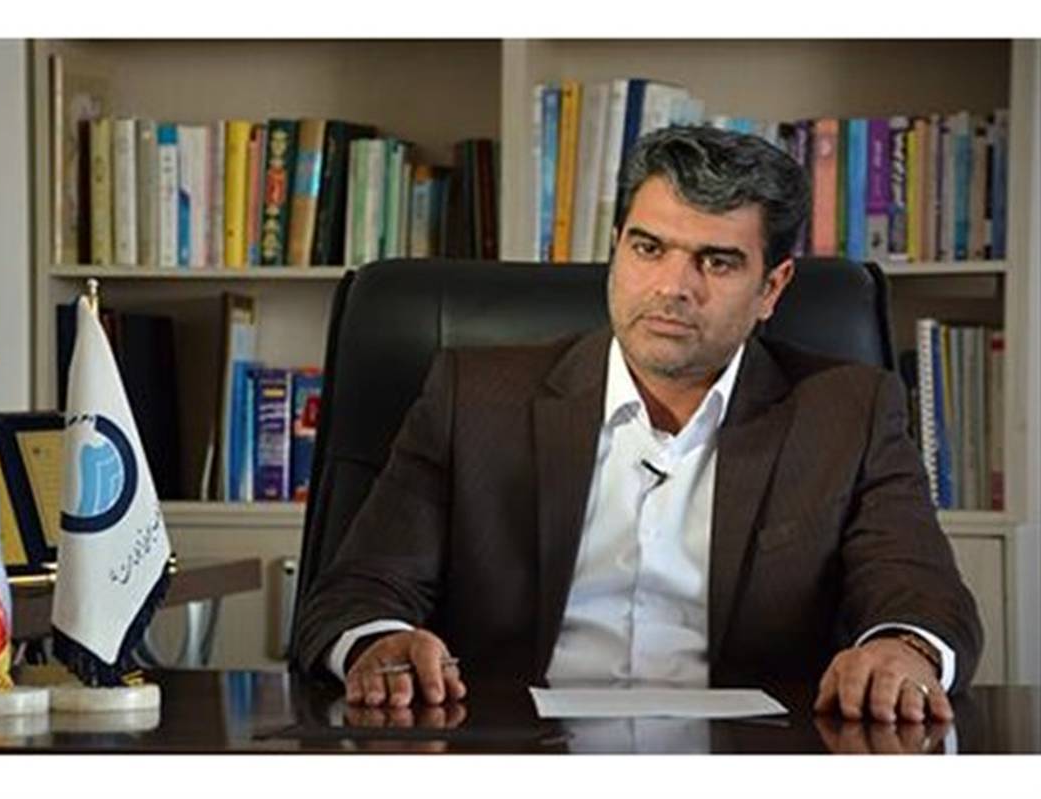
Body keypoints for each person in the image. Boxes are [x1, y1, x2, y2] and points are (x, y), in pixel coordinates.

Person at [291, 125, 982, 724]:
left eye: (716, 261)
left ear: (771, 288)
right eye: (649, 248)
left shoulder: (848, 411)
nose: (673, 287)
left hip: (744, 759)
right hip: (512, 750)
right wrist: (380, 643)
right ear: (616, 248)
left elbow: (922, 593)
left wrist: (902, 649)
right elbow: (357, 592)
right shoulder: (472, 398)